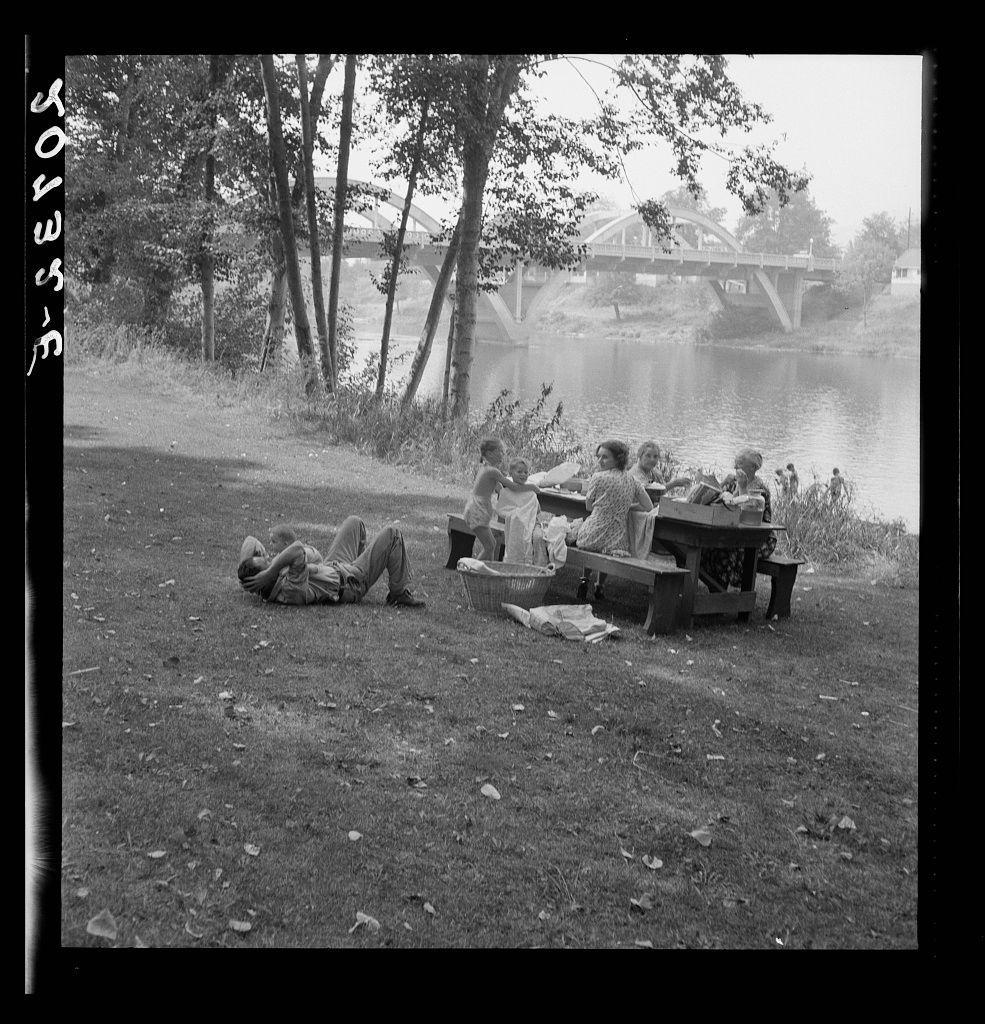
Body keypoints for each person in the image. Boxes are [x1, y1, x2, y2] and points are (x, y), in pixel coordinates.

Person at [238, 517, 425, 607]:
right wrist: (268, 572)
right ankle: (398, 594)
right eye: (266, 564)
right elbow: (297, 548)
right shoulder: (289, 591)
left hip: (333, 566)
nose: (270, 561)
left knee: (355, 522)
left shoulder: (270, 580)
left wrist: (252, 577)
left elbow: (249, 540)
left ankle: (361, 564)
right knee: (392, 535)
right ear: (265, 579)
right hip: (350, 583)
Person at [563, 439, 653, 601]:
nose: (600, 461)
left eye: (605, 457)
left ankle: (584, 580)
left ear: (618, 459)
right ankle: (600, 586)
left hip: (591, 535)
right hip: (617, 540)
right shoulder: (633, 480)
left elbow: (589, 507)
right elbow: (648, 506)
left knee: (585, 531)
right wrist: (626, 507)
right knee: (607, 543)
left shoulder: (598, 477)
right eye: (599, 457)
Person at [700, 449, 777, 590]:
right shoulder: (732, 482)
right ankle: (714, 589)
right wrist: (722, 486)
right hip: (731, 532)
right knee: (705, 545)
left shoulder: (760, 490)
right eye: (735, 463)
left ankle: (720, 593)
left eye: (740, 464)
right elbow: (718, 503)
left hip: (758, 538)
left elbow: (747, 513)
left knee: (726, 550)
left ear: (753, 468)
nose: (735, 467)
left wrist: (741, 488)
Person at [463, 438, 540, 561]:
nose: (502, 455)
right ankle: (474, 569)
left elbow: (501, 489)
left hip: (476, 509)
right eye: (500, 451)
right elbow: (513, 487)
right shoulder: (492, 471)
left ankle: (486, 570)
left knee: (491, 545)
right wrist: (533, 487)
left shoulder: (486, 467)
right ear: (489, 453)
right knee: (490, 546)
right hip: (478, 511)